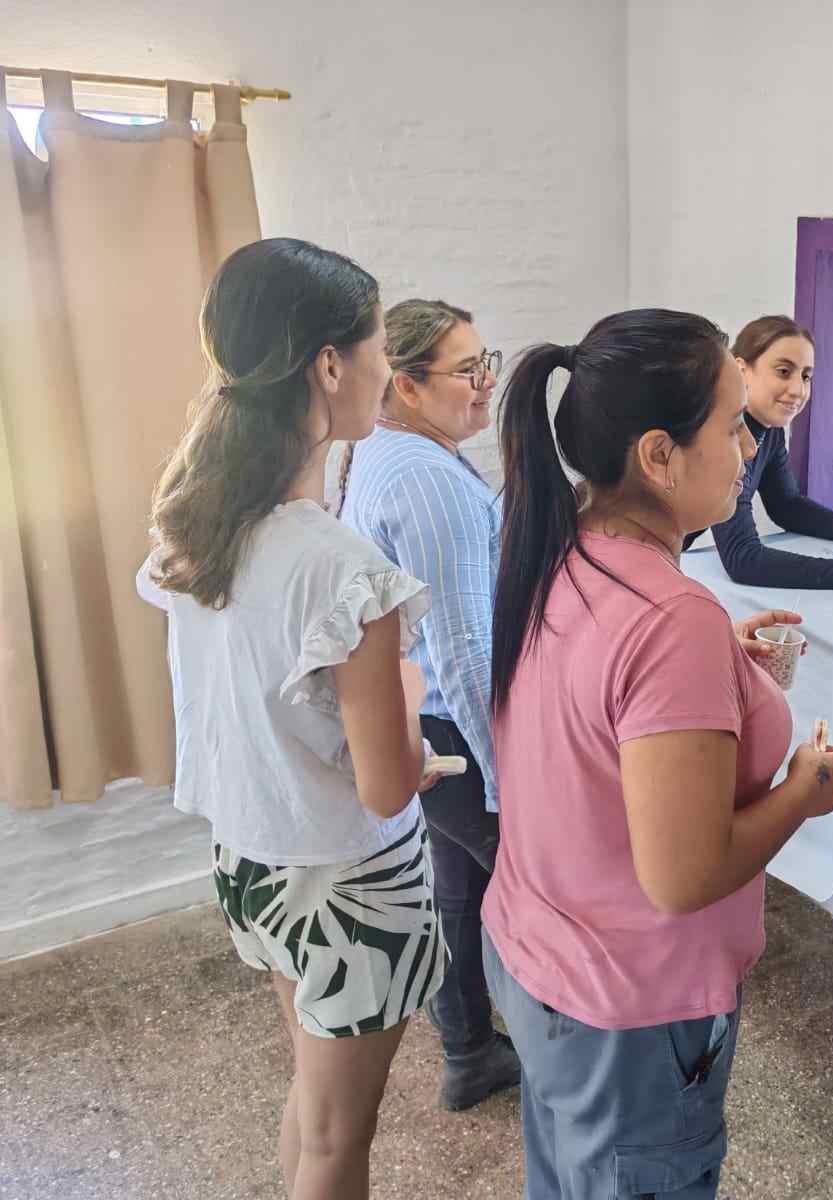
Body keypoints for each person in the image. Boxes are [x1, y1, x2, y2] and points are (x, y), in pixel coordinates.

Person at [480, 309, 833, 1199]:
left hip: (541, 951)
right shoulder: (669, 620)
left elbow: (597, 689)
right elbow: (684, 876)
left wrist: (720, 660)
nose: (746, 446)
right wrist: (804, 791)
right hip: (628, 1002)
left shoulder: (560, 538)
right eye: (732, 426)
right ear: (658, 455)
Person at [138, 238, 444, 1199]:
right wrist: (413, 703)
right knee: (338, 1140)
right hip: (351, 879)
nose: (387, 370)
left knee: (313, 1116)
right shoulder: (345, 571)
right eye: (378, 346)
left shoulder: (198, 525)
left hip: (253, 862)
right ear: (328, 365)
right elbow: (387, 781)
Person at [336, 299, 521, 1111]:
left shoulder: (388, 450)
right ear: (406, 386)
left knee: (458, 891)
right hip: (451, 726)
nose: (487, 384)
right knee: (534, 893)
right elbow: (464, 646)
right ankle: (565, 1054)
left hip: (423, 719)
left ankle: (469, 1050)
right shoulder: (427, 480)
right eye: (467, 370)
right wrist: (504, 775)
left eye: (489, 361)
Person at [684, 315, 833, 589]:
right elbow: (742, 558)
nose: (798, 390)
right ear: (740, 370)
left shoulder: (769, 429)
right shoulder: (717, 437)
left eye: (806, 376)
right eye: (783, 371)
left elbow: (786, 505)